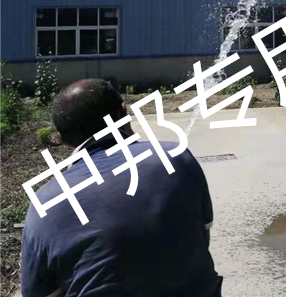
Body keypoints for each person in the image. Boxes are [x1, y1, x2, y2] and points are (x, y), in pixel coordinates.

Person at [21, 79, 223, 297]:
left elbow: (36, 293)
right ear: (123, 113)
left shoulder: (46, 202)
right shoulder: (176, 156)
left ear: (62, 139)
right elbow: (200, 237)